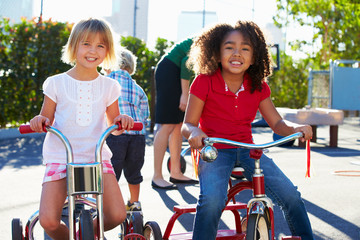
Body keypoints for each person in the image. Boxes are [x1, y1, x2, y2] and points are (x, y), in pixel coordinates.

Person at [181, 21, 314, 240]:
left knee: (291, 195)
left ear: (254, 56)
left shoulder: (258, 85)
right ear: (216, 52)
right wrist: (194, 133)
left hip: (248, 149)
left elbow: (277, 124)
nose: (237, 53)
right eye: (229, 47)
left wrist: (295, 128)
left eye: (245, 48)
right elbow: (188, 124)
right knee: (212, 200)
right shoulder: (204, 81)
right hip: (215, 149)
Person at [29, 18, 134, 239]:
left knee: (116, 214)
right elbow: (45, 118)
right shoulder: (56, 83)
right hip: (61, 157)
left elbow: (114, 125)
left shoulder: (109, 86)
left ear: (108, 51)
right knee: (48, 221)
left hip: (95, 158)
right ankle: (70, 236)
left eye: (100, 45)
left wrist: (121, 121)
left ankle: (89, 234)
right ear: (74, 45)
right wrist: (38, 121)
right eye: (86, 43)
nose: (92, 50)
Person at [105, 48, 150, 212]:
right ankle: (134, 202)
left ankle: (109, 204)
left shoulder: (106, 82)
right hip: (137, 135)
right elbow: (145, 113)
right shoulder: (137, 88)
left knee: (111, 171)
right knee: (134, 170)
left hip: (115, 134)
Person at [152, 38, 198, 189]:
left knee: (178, 125)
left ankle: (176, 172)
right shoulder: (211, 42)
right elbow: (186, 62)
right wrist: (185, 94)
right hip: (169, 70)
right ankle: (157, 176)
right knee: (167, 124)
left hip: (176, 73)